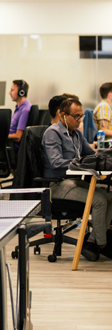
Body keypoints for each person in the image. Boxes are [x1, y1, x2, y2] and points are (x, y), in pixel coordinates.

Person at [42, 97, 112, 261]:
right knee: (99, 200)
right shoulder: (53, 133)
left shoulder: (76, 134)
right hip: (58, 185)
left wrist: (106, 158)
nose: (79, 120)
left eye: (81, 116)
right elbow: (56, 162)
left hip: (73, 182)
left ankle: (92, 240)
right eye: (76, 116)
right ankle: (103, 244)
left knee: (110, 197)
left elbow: (92, 155)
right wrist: (80, 162)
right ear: (63, 115)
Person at [8, 79, 32, 150]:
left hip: (12, 147)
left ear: (21, 92)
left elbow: (18, 136)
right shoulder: (19, 108)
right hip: (9, 144)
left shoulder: (25, 110)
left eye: (12, 90)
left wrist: (1, 136)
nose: (9, 93)